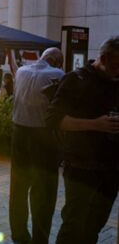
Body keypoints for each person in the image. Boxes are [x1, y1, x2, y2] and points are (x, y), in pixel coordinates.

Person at [47, 37, 119, 244]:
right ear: (103, 58)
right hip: (81, 168)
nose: (118, 71)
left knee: (95, 224)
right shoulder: (76, 80)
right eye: (116, 66)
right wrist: (95, 124)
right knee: (73, 225)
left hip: (111, 170)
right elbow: (53, 119)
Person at [9, 47, 64, 244]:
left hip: (19, 134)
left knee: (18, 189)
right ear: (58, 62)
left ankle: (19, 235)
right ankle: (40, 240)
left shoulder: (22, 71)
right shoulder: (58, 74)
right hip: (43, 137)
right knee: (44, 192)